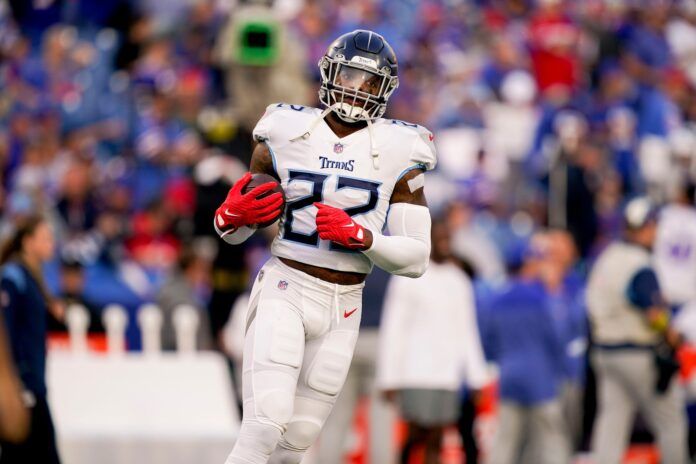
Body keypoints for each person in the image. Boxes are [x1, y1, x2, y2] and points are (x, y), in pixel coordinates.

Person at [214, 29, 436, 464]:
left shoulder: (401, 147)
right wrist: (230, 218)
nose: (357, 90)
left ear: (385, 90)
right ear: (330, 73)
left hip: (345, 305)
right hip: (288, 285)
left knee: (297, 439)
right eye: (350, 76)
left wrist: (363, 238)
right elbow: (236, 228)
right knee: (265, 424)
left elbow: (417, 257)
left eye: (369, 83)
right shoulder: (283, 129)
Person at [377, 219, 488, 464]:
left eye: (447, 238)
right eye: (439, 238)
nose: (444, 243)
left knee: (438, 435)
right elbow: (394, 328)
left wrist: (476, 377)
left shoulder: (459, 279)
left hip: (447, 375)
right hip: (414, 372)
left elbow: (467, 330)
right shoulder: (407, 276)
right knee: (417, 434)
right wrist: (389, 377)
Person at [587, 196, 689, 464]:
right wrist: (673, 335)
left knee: (612, 423)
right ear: (644, 227)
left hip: (604, 351)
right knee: (671, 422)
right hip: (637, 353)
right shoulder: (639, 263)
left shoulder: (607, 257)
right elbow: (654, 314)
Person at [482, 232, 571, 464]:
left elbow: (489, 343)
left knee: (505, 443)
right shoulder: (542, 298)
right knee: (551, 442)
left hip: (510, 378)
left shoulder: (497, 299)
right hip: (541, 381)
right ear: (528, 264)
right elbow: (558, 338)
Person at [0, 215, 61, 464]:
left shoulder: (31, 277)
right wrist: (16, 383)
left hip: (32, 383)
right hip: (23, 386)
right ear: (27, 242)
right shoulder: (13, 277)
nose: (51, 244)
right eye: (45, 238)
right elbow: (7, 332)